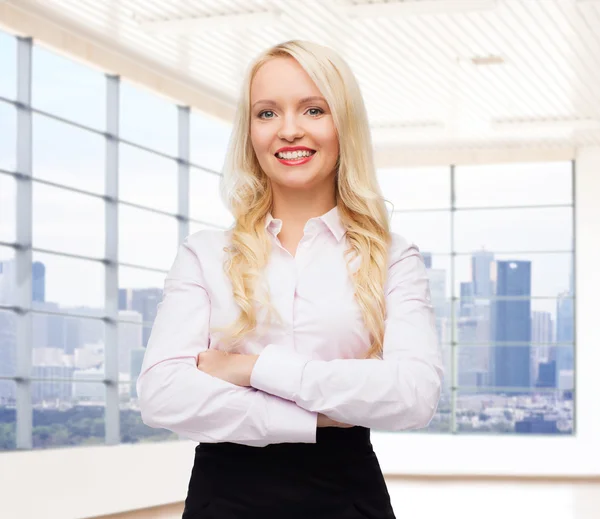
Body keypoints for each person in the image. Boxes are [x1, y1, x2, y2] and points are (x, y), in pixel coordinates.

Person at [137, 39, 444, 519]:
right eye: (267, 113)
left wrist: (249, 369)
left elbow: (413, 395)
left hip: (347, 499)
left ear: (344, 124)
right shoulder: (205, 254)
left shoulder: (393, 257)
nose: (289, 130)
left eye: (313, 109)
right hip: (225, 500)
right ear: (250, 133)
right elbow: (162, 395)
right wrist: (321, 414)